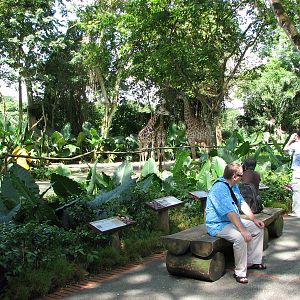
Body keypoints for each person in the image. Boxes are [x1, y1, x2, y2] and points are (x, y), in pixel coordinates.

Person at [205, 163, 266, 284]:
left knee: (257, 229)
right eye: (241, 175)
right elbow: (230, 213)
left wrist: (254, 219)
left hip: (231, 221)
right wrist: (243, 231)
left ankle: (253, 261)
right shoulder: (220, 189)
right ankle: (240, 273)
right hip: (218, 224)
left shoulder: (233, 186)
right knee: (240, 237)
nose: (243, 178)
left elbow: (242, 203)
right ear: (234, 176)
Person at [283, 130, 300, 217]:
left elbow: (285, 151)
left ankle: (297, 212)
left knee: (297, 192)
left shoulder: (296, 145)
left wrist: (290, 140)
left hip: (297, 172)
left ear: (296, 136)